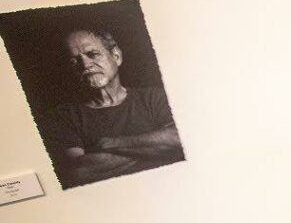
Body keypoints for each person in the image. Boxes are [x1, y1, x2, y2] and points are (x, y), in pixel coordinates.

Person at [39, 28, 184, 188]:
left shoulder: (155, 97)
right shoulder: (62, 117)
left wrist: (108, 144)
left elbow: (179, 138)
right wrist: (156, 149)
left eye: (92, 54)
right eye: (74, 61)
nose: (85, 64)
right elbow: (78, 171)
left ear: (116, 56)